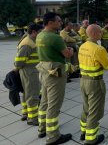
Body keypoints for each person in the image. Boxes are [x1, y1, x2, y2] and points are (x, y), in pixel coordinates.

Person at [36, 12, 73, 144]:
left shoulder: (40, 35)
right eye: (58, 21)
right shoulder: (55, 38)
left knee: (44, 101)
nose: (60, 23)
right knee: (54, 104)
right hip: (55, 74)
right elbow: (67, 54)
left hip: (44, 71)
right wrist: (70, 51)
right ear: (50, 23)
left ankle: (42, 128)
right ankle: (53, 136)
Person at [78, 24, 108, 145]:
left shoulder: (82, 46)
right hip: (95, 83)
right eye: (100, 32)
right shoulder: (99, 49)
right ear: (95, 34)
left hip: (83, 81)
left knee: (86, 107)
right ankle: (91, 139)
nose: (101, 34)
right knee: (94, 111)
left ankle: (83, 132)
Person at [14, 23, 43, 125]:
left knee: (27, 94)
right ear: (34, 32)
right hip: (30, 72)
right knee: (33, 95)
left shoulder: (30, 41)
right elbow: (18, 62)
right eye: (40, 32)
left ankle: (26, 114)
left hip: (31, 71)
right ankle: (33, 118)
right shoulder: (27, 43)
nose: (42, 34)